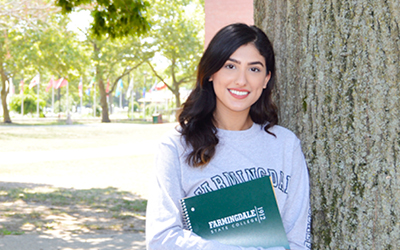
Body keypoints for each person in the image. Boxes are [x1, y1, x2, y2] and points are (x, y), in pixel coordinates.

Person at [146, 23, 311, 250]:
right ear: (211, 72)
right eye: (230, 66)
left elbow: (299, 241)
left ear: (266, 79)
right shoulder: (175, 146)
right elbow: (161, 240)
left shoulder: (285, 145)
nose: (241, 80)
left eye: (254, 69)